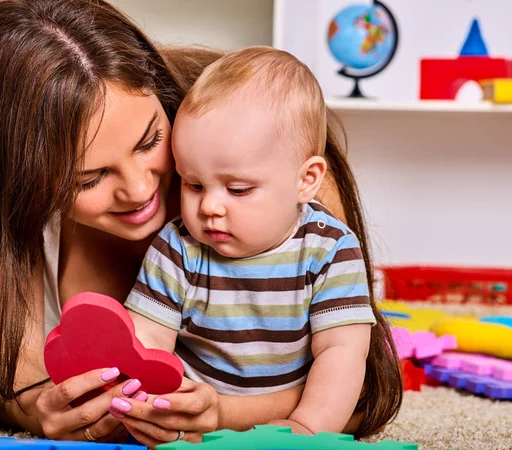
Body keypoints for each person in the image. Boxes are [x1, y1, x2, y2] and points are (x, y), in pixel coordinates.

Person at [0, 0, 400, 446]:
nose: (140, 190)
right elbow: (7, 372)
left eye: (150, 141)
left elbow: (363, 388)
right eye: (90, 177)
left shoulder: (268, 152)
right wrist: (39, 410)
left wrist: (225, 414)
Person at [120, 46, 402, 436]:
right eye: (194, 184)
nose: (210, 207)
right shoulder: (177, 247)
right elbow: (147, 339)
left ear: (306, 180)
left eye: (237, 189)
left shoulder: (330, 250)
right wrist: (152, 405)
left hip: (288, 409)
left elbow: (341, 353)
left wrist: (306, 426)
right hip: (194, 411)